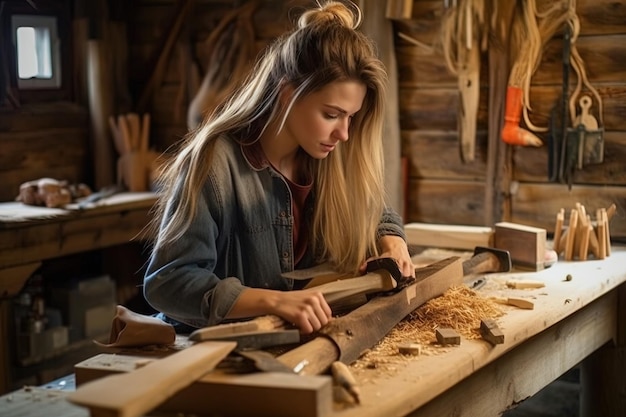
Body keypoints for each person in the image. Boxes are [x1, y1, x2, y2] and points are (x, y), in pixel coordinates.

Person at [143, 0, 414, 335]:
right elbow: (169, 283)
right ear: (287, 94)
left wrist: (391, 237)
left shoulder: (324, 156)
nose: (343, 133)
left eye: (350, 117)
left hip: (297, 346)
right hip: (213, 354)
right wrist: (274, 301)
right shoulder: (216, 164)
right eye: (331, 114)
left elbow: (374, 211)